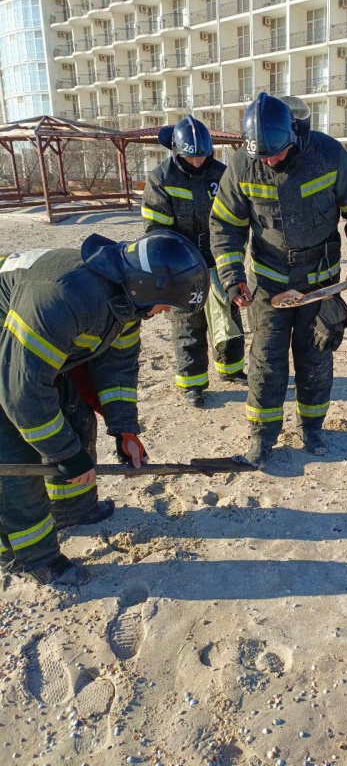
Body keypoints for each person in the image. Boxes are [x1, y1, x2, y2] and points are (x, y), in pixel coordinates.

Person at [0, 231, 209, 586]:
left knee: (75, 418)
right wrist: (67, 455)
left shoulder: (126, 299)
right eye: (166, 304)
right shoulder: (63, 297)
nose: (164, 313)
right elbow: (22, 392)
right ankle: (32, 558)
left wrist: (124, 430)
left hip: (29, 351)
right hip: (9, 353)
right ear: (148, 286)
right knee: (16, 456)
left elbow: (118, 368)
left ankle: (72, 510)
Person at [210, 92, 347, 467]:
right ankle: (262, 436)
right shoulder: (241, 166)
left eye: (276, 153)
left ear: (294, 135)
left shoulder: (328, 155)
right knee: (266, 361)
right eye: (262, 156)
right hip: (268, 284)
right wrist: (232, 276)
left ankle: (312, 427)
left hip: (321, 282)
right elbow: (225, 225)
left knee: (315, 355)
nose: (270, 161)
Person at [142, 115, 246, 408]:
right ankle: (193, 384)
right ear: (177, 151)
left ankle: (231, 369)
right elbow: (157, 233)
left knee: (227, 316)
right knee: (188, 323)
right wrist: (174, 268)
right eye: (191, 157)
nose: (198, 162)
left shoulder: (223, 174)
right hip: (181, 265)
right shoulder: (161, 178)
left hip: (218, 259)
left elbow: (236, 221)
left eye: (203, 155)